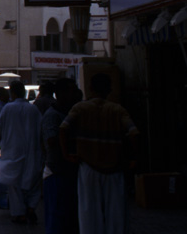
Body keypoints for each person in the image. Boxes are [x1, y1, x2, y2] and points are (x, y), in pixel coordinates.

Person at [59, 73, 138, 234]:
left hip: (88, 167)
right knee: (116, 213)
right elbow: (134, 133)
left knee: (89, 211)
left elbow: (63, 128)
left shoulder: (80, 108)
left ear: (90, 88)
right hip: (114, 168)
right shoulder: (117, 109)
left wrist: (66, 154)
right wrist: (134, 158)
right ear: (109, 89)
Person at [0, 80, 43, 225]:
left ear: (12, 93)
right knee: (33, 182)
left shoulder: (8, 109)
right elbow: (41, 130)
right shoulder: (33, 110)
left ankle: (19, 213)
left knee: (14, 185)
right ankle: (31, 207)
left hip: (12, 152)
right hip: (32, 152)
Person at [42, 77, 81, 234]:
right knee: (57, 217)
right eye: (71, 90)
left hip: (70, 171)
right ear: (60, 94)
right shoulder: (53, 115)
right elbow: (51, 140)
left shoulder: (72, 112)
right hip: (57, 172)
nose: (75, 94)